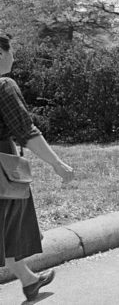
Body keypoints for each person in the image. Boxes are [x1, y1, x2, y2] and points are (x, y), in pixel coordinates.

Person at [0, 33, 74, 302]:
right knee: (7, 225)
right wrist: (57, 163)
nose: (15, 57)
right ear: (0, 54)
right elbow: (26, 132)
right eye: (12, 51)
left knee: (4, 229)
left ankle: (29, 280)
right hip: (3, 171)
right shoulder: (4, 86)